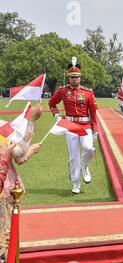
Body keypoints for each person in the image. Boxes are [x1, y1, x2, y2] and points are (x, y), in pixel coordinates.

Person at [0, 102, 42, 263]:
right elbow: (16, 152)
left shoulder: (3, 126)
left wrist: (29, 152)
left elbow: (17, 157)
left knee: (8, 232)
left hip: (7, 188)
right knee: (5, 235)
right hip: (3, 190)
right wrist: (31, 121)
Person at [48, 57, 98, 194]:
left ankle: (85, 166)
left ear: (80, 77)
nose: (74, 79)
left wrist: (95, 130)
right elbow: (51, 103)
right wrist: (57, 115)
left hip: (85, 125)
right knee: (73, 155)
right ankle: (76, 182)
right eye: (72, 77)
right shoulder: (62, 91)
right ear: (68, 78)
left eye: (77, 77)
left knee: (89, 148)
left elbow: (93, 112)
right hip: (70, 126)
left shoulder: (88, 92)